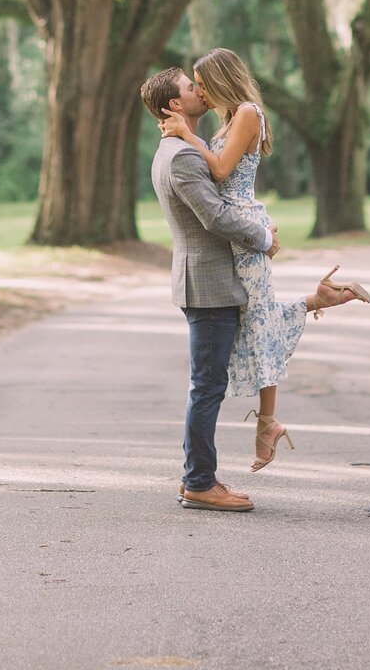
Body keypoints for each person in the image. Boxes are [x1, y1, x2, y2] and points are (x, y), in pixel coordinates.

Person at [159, 48, 370, 476]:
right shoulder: (228, 118)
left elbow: (218, 171)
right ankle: (320, 302)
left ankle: (267, 423)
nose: (198, 90)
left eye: (202, 82)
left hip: (242, 227)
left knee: (258, 322)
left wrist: (186, 134)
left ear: (222, 78)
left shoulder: (248, 113)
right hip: (238, 230)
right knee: (257, 321)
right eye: (192, 85)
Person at [142, 65, 278, 513]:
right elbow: (216, 217)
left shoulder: (182, 148)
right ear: (175, 105)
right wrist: (263, 237)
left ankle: (200, 477)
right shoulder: (180, 157)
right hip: (209, 283)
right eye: (189, 87)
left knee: (207, 384)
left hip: (206, 280)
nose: (199, 91)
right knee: (206, 387)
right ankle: (199, 481)